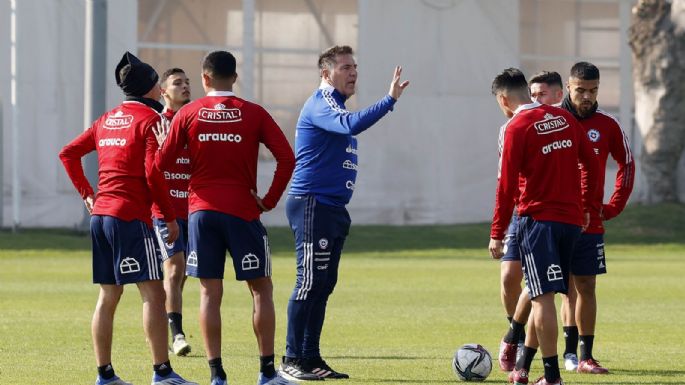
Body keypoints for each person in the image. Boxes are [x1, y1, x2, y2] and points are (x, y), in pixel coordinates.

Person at [156, 50, 296, 385]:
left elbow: (159, 166)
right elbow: (287, 159)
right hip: (243, 212)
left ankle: (217, 375)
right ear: (235, 77)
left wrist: (163, 147)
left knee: (208, 292)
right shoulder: (254, 113)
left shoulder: (187, 114)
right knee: (261, 288)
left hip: (201, 213)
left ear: (205, 79)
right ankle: (266, 373)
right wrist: (269, 200)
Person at [59, 52, 197, 385]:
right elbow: (153, 172)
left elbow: (68, 153)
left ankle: (105, 375)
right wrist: (169, 216)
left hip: (101, 216)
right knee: (154, 295)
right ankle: (162, 373)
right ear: (153, 88)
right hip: (131, 218)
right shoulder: (150, 121)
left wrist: (87, 194)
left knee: (109, 296)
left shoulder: (106, 119)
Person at [279, 45, 409, 381]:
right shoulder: (322, 102)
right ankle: (291, 359)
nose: (353, 72)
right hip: (312, 203)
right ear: (326, 73)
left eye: (355, 67)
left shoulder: (335, 104)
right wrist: (389, 100)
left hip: (332, 208)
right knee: (308, 283)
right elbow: (352, 124)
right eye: (345, 67)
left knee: (323, 284)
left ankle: (310, 357)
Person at [489, 68, 599, 385]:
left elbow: (506, 185)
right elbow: (590, 163)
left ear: (504, 99)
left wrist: (497, 232)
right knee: (544, 292)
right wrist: (588, 207)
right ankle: (523, 366)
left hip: (538, 221)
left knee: (541, 298)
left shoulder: (516, 126)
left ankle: (550, 376)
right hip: (571, 222)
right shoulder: (564, 119)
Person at [559, 61, 634, 374]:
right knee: (564, 289)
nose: (587, 96)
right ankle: (565, 353)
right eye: (581, 90)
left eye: (593, 90)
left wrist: (613, 205)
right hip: (556, 219)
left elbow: (626, 163)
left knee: (586, 286)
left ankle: (586, 355)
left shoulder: (608, 124)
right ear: (568, 87)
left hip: (590, 223)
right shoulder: (554, 120)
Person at [497, 70, 566, 372]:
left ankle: (523, 354)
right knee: (510, 277)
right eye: (533, 95)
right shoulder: (509, 128)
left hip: (542, 216)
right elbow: (507, 179)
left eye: (542, 94)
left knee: (540, 289)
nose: (537, 100)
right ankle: (514, 332)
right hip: (521, 214)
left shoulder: (559, 121)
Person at [151, 67, 193, 357]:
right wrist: (163, 146)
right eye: (177, 83)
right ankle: (177, 334)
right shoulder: (157, 124)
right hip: (165, 210)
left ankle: (165, 322)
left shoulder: (195, 122)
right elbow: (152, 169)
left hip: (194, 210)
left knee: (184, 273)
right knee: (175, 268)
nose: (185, 86)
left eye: (188, 82)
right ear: (164, 91)